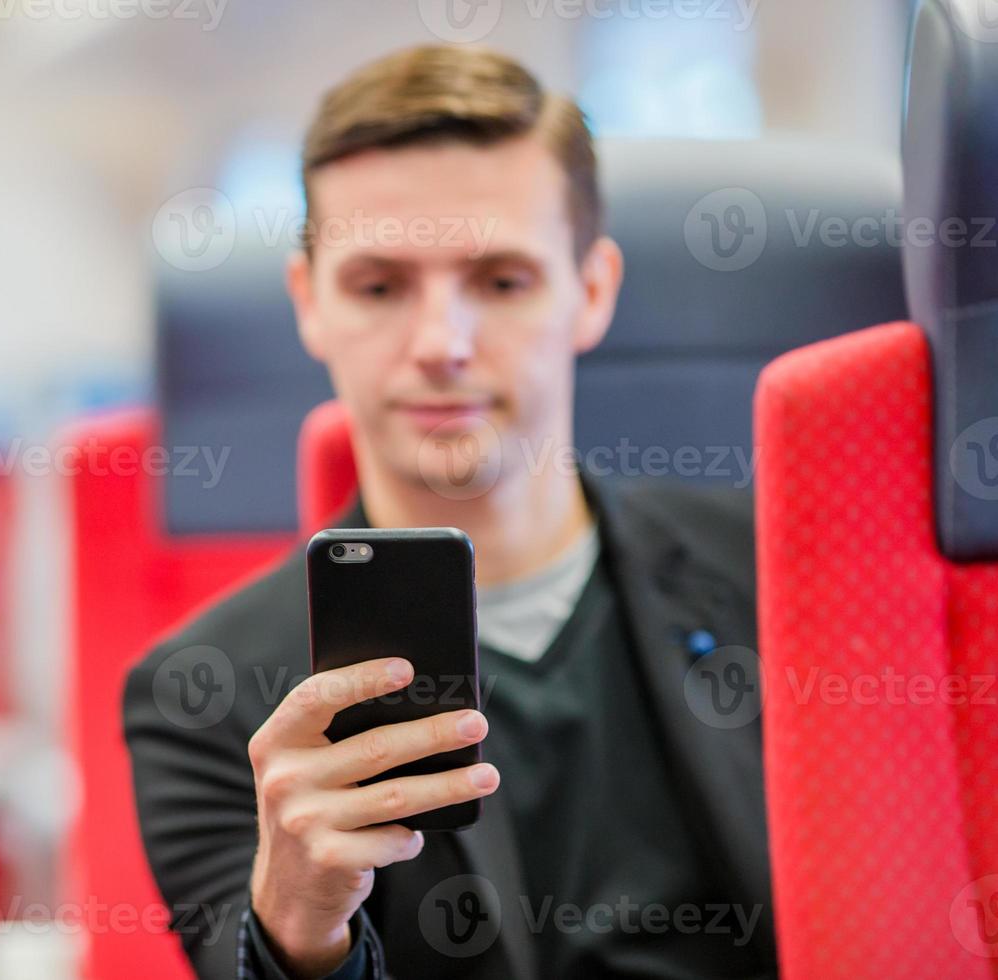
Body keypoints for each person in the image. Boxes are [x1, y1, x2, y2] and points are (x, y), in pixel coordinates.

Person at [123, 44, 775, 980]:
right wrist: (298, 926)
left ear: (591, 291)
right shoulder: (205, 692)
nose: (440, 344)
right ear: (309, 304)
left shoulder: (776, 579)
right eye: (379, 286)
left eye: (501, 281)